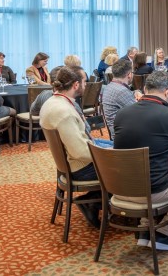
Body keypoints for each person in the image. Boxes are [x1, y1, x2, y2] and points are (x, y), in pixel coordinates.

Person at [112, 71, 168, 251]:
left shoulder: (121, 114)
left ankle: (145, 228)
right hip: (152, 191)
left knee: (149, 171)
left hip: (119, 187)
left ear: (145, 89)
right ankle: (165, 232)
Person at [39, 65, 101, 228]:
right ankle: (93, 202)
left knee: (118, 154)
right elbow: (80, 152)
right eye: (84, 82)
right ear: (76, 85)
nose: (86, 85)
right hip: (78, 167)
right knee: (127, 166)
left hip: (67, 163)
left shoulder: (51, 101)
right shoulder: (64, 111)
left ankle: (97, 200)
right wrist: (106, 154)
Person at [100, 59, 140, 136]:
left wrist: (136, 92)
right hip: (125, 136)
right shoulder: (121, 91)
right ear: (129, 75)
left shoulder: (110, 86)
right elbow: (139, 113)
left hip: (119, 131)